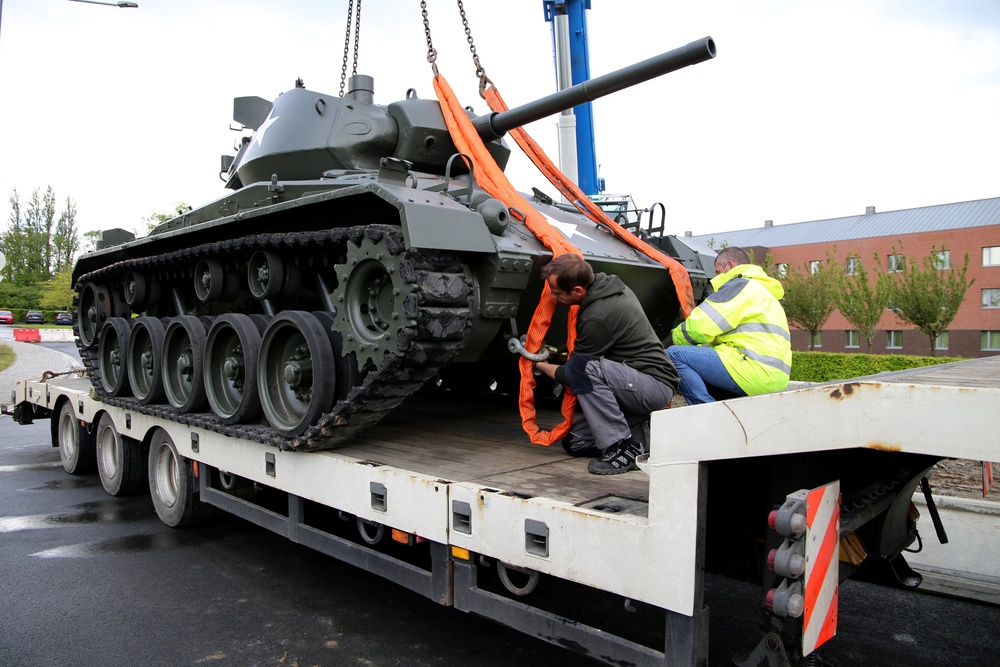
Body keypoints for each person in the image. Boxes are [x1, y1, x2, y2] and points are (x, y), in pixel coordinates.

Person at [533, 254, 679, 475]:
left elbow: (576, 371)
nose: (552, 296)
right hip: (633, 384)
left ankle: (623, 445)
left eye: (556, 292)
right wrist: (561, 352)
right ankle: (641, 437)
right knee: (575, 443)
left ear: (578, 292)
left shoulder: (597, 316)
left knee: (584, 369)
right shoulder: (606, 287)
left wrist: (540, 366)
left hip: (653, 384)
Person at [666, 246, 791, 405]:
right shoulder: (764, 293)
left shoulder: (739, 285)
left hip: (752, 370)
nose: (716, 277)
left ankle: (706, 413)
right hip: (773, 378)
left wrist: (672, 338)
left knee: (674, 355)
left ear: (730, 265)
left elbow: (702, 325)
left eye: (718, 272)